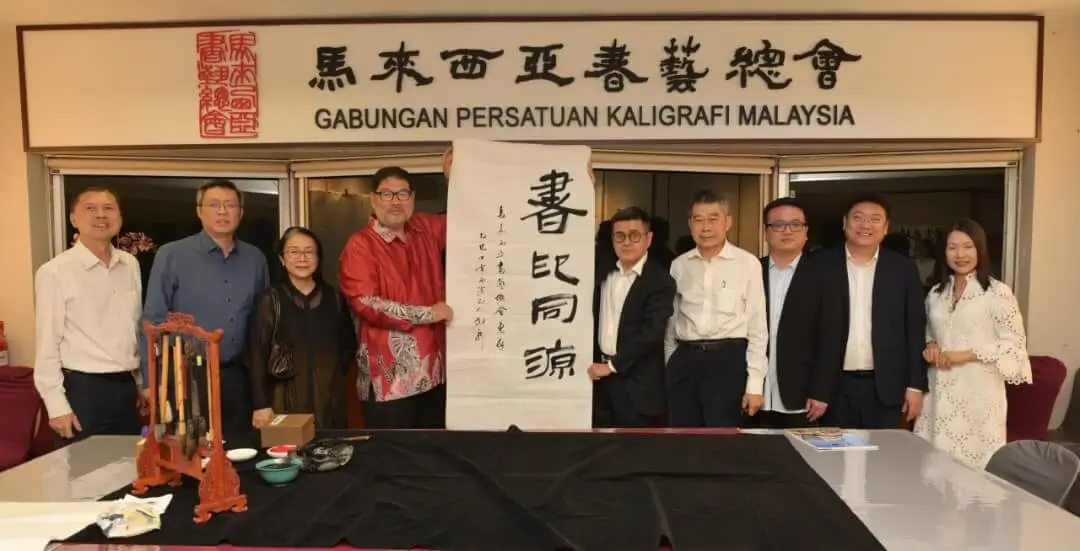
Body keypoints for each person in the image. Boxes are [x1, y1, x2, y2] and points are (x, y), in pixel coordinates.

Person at [142, 179, 270, 438]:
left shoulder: (255, 258)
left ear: (241, 212)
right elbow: (152, 321)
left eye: (230, 205)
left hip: (239, 378)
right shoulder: (172, 255)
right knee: (192, 450)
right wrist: (150, 380)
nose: (223, 211)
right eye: (214, 205)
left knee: (241, 450)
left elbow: (263, 322)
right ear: (199, 211)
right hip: (188, 376)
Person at [338, 161, 452, 429]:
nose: (395, 202)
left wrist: (454, 180)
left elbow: (469, 222)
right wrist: (429, 313)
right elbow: (367, 303)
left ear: (412, 197)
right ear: (373, 199)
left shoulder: (426, 228)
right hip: (389, 381)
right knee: (391, 450)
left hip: (435, 374)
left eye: (402, 193)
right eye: (387, 194)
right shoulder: (360, 245)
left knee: (434, 449)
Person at [916, 219, 1031, 468]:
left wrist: (966, 355)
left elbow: (1014, 345)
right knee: (932, 465)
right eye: (952, 247)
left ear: (980, 249)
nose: (960, 254)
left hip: (979, 393)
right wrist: (931, 344)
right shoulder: (936, 293)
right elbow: (928, 330)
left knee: (975, 467)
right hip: (938, 391)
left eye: (968, 246)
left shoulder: (997, 293)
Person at [34, 187, 145, 445]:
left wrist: (140, 381)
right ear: (73, 219)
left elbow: (134, 328)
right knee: (82, 468)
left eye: (108, 208)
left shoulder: (130, 265)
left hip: (125, 387)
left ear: (120, 217)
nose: (101, 215)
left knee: (127, 464)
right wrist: (56, 406)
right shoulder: (55, 272)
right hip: (83, 391)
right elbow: (47, 343)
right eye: (90, 209)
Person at [816, 194, 927, 429]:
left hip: (886, 386)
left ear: (885, 228)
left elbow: (915, 329)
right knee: (833, 451)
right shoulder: (819, 265)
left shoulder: (903, 269)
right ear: (845, 222)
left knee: (883, 450)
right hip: (832, 388)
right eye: (858, 218)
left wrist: (915, 385)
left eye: (875, 219)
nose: (865, 225)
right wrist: (814, 388)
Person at [664, 190, 767, 427]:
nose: (706, 227)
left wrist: (755, 385)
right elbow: (671, 323)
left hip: (727, 361)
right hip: (685, 360)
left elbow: (757, 328)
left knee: (723, 438)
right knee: (683, 436)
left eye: (713, 219)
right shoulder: (679, 265)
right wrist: (670, 366)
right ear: (690, 224)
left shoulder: (747, 263)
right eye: (698, 220)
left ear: (727, 222)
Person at [248, 227, 358, 430]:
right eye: (294, 252)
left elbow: (348, 345)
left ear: (318, 258)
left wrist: (328, 372)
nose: (302, 258)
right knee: (289, 449)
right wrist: (261, 404)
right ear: (282, 259)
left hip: (329, 400)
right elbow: (256, 354)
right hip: (284, 400)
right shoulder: (271, 299)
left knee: (331, 446)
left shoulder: (334, 298)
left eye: (309, 252)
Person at [746, 197, 829, 429]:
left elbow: (831, 338)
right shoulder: (750, 271)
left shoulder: (824, 276)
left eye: (795, 224)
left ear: (806, 232)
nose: (787, 231)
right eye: (778, 224)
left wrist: (821, 391)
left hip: (802, 395)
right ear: (766, 231)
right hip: (753, 392)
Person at [590, 207, 676, 428]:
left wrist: (612, 366)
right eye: (620, 236)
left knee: (633, 448)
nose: (626, 242)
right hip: (597, 381)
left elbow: (651, 333)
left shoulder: (660, 281)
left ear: (649, 239)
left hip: (637, 387)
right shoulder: (601, 273)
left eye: (634, 235)